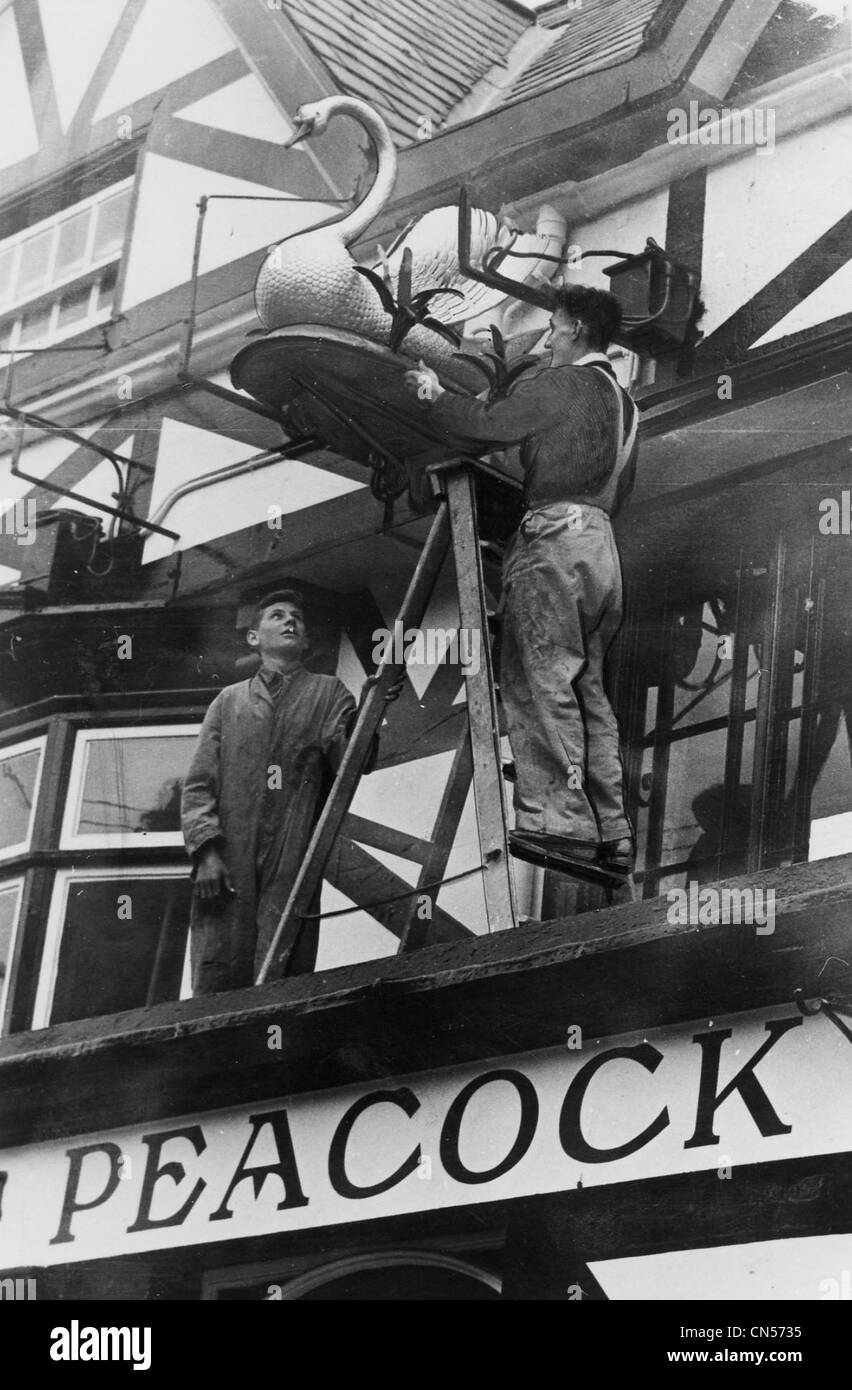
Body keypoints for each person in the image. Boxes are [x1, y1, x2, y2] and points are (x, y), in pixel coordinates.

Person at [405, 284, 639, 875]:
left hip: (554, 538)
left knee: (537, 677)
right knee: (586, 690)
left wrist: (435, 398)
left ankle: (558, 823)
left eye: (557, 327)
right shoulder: (625, 405)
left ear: (578, 328)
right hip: (601, 547)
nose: (552, 338)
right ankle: (612, 830)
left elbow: (487, 425)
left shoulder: (564, 385)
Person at [181, 590, 361, 993]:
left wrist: (365, 720)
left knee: (283, 959)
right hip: (229, 853)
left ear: (307, 640)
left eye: (297, 617)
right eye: (277, 616)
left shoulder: (329, 693)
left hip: (292, 847)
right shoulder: (228, 702)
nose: (290, 621)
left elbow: (350, 762)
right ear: (253, 638)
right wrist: (207, 851)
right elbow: (198, 784)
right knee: (220, 963)